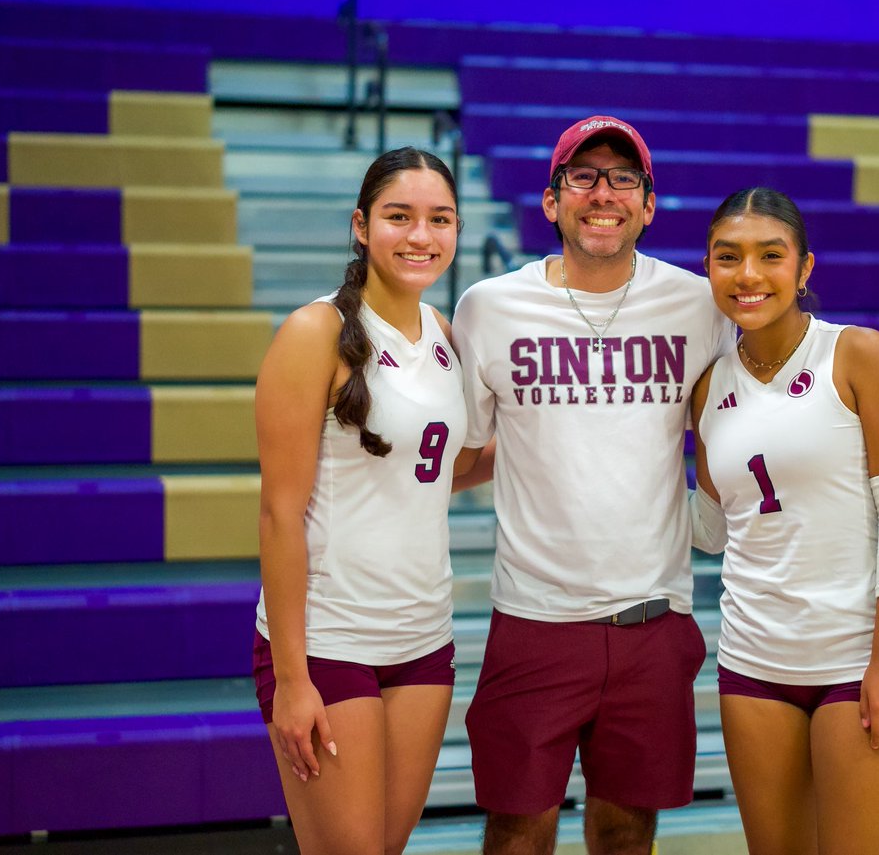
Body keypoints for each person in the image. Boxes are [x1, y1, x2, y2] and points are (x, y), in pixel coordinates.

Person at [451, 115, 735, 855]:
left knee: (625, 832)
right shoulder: (488, 308)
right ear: (551, 202)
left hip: (652, 618)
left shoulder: (702, 306)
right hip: (535, 617)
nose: (601, 193)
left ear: (649, 204)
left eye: (622, 178)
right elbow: (464, 450)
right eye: (582, 177)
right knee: (518, 830)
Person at [252, 146, 488, 855]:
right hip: (329, 641)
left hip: (423, 641)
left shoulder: (444, 333)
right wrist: (292, 679)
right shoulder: (313, 332)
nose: (421, 235)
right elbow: (277, 514)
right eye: (399, 216)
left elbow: (442, 468)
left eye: (439, 219)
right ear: (361, 226)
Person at [689, 187, 879, 855]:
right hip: (753, 661)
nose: (748, 274)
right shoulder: (708, 387)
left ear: (804, 268)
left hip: (857, 659)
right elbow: (710, 528)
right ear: (707, 267)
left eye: (771, 255)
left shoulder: (857, 355)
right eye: (728, 256)